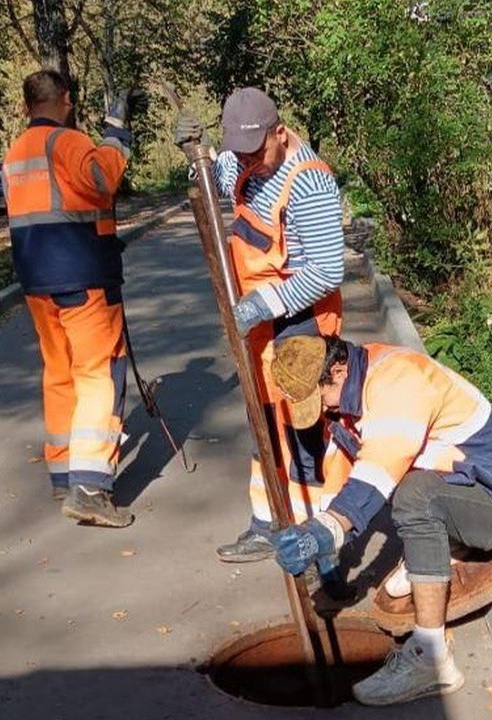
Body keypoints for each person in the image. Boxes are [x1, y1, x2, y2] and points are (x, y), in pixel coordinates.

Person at [269, 334, 492, 706]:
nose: (323, 409)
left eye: (321, 396)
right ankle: (449, 546)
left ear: (338, 370)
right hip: (460, 490)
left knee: (414, 496)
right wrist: (325, 538)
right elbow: (344, 461)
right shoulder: (353, 387)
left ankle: (433, 659)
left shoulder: (399, 381)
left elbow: (378, 470)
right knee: (402, 567)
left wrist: (328, 530)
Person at [175, 87, 346, 562]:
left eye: (258, 151)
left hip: (302, 326)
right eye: (241, 153)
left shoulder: (308, 183)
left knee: (306, 432)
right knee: (264, 423)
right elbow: (216, 179)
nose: (250, 161)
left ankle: (321, 542)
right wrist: (199, 157)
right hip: (262, 323)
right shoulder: (247, 161)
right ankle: (267, 524)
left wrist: (261, 305)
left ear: (280, 132)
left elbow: (327, 270)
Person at [2, 69, 134, 527]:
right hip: (82, 277)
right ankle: (91, 487)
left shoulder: (15, 153)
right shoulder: (69, 142)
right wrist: (116, 135)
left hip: (37, 282)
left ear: (25, 107)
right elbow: (104, 178)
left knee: (60, 373)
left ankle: (63, 472)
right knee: (99, 374)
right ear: (67, 99)